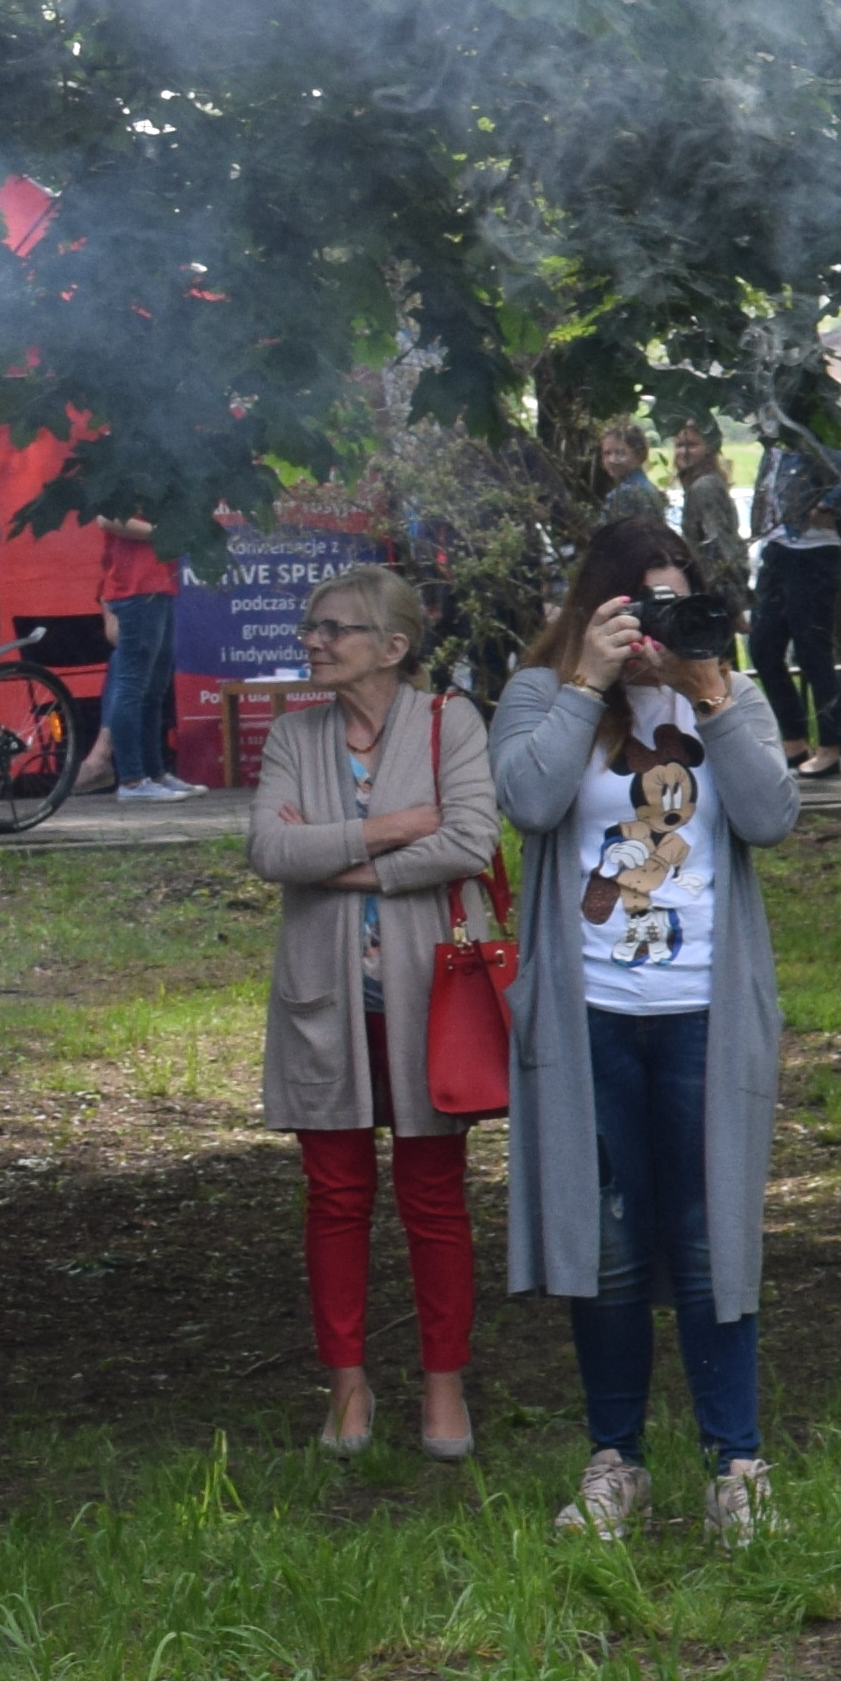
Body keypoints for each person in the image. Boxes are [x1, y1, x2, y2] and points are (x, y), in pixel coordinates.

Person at [496, 509, 805, 1541]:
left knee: (715, 1234)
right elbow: (528, 803)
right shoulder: (542, 695)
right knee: (612, 1244)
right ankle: (615, 1459)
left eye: (680, 601)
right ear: (599, 609)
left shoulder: (733, 697)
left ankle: (737, 1464)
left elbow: (771, 817)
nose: (662, 626)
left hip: (705, 1017)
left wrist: (713, 697)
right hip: (589, 1015)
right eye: (643, 604)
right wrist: (586, 679)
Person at [252, 565, 503, 1463]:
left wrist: (339, 862)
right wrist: (395, 830)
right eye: (309, 627)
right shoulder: (294, 734)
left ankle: (444, 1386)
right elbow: (270, 848)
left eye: (335, 629)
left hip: (429, 1002)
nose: (313, 641)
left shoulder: (451, 723)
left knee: (434, 1200)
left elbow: (472, 840)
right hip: (324, 1003)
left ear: (393, 648)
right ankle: (348, 1387)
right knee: (335, 1198)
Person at [745, 425, 841, 779]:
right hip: (778, 552)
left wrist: (829, 503)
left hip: (813, 556)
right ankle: (793, 742)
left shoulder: (814, 447)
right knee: (763, 646)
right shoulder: (772, 454)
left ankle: (831, 747)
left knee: (812, 650)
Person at [84, 507, 189, 801]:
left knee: (155, 689)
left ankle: (155, 773)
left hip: (161, 583)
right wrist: (162, 533)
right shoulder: (120, 465)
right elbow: (106, 516)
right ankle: (131, 780)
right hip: (135, 588)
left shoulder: (159, 471)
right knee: (132, 686)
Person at [669, 422, 753, 619]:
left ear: (709, 449)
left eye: (692, 445)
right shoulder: (698, 485)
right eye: (679, 445)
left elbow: (720, 546)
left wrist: (732, 605)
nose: (683, 452)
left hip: (715, 593)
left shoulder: (705, 487)